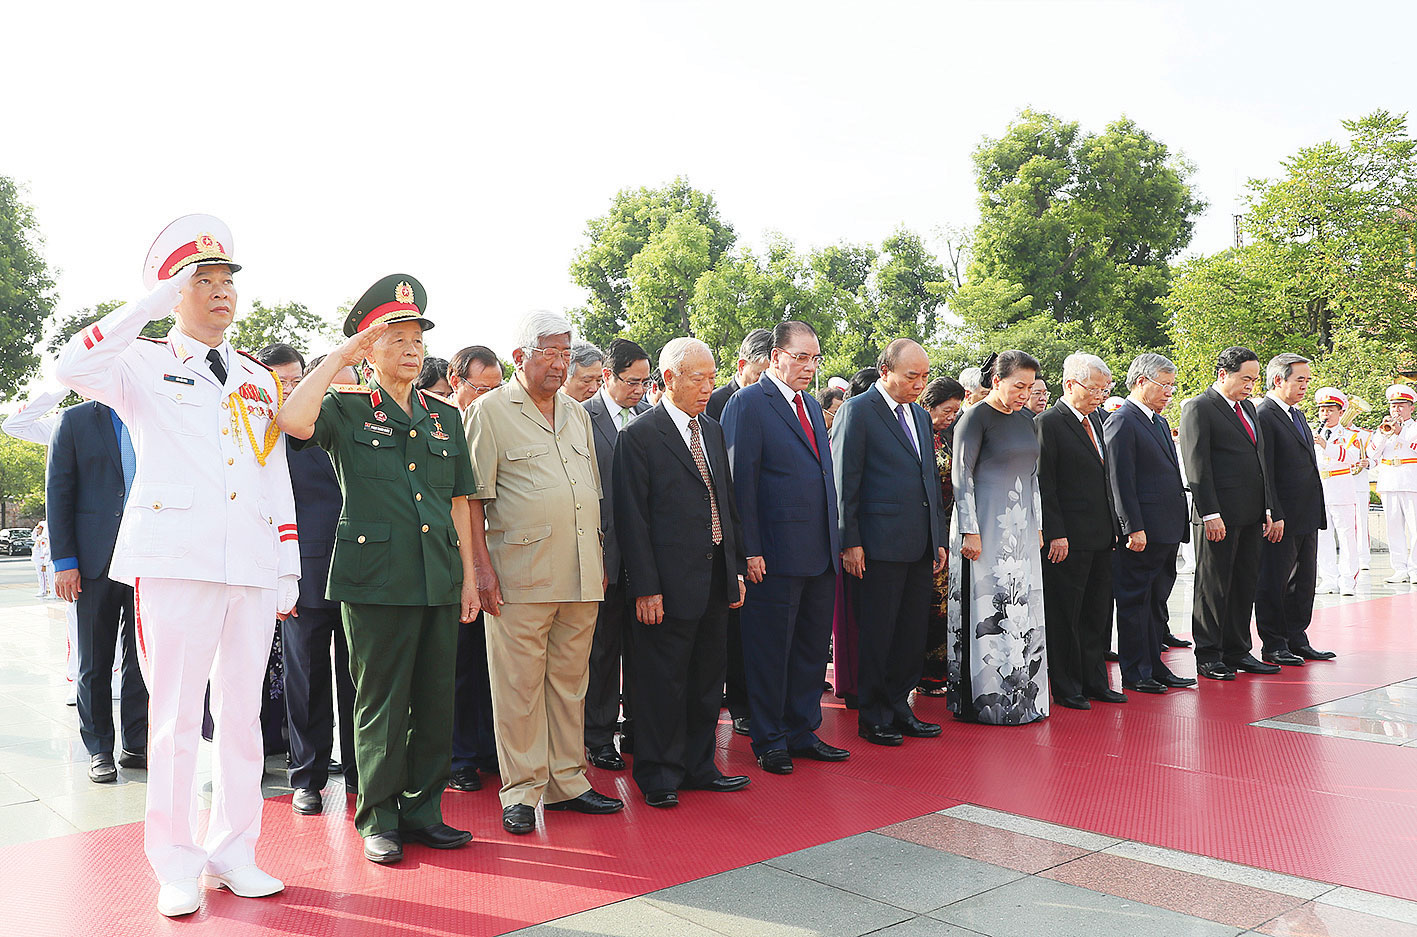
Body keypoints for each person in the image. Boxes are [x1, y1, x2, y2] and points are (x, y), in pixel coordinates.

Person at [56, 214, 297, 916]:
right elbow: (71, 364)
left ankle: (236, 848)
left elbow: (271, 470)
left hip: (249, 563)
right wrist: (147, 305)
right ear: (173, 293)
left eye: (228, 283)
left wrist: (287, 560)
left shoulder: (255, 375)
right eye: (205, 283)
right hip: (176, 561)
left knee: (242, 715)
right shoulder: (140, 362)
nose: (222, 295)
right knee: (174, 716)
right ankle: (175, 860)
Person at [278, 274, 480, 866]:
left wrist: (469, 576)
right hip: (375, 579)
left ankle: (423, 811)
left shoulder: (444, 416)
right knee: (381, 703)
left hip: (438, 575)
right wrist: (339, 356)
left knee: (434, 700)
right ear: (370, 349)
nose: (412, 347)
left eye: (417, 336)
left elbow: (460, 503)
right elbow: (291, 421)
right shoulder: (343, 408)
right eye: (396, 336)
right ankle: (379, 816)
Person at [464, 310, 624, 835]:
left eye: (566, 351)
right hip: (518, 573)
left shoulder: (576, 414)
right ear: (520, 357)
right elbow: (470, 500)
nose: (561, 362)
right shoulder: (490, 411)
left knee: (570, 682)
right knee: (518, 686)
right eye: (550, 351)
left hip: (579, 573)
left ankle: (567, 782)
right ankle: (521, 789)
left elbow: (591, 492)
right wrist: (480, 571)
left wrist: (598, 558)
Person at [614, 337, 750, 807]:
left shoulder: (711, 429)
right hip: (665, 586)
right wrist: (645, 587)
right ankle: (657, 773)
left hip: (714, 577)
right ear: (669, 379)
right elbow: (633, 519)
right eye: (699, 378)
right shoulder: (640, 436)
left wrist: (734, 568)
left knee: (707, 678)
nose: (708, 387)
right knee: (660, 683)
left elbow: (725, 504)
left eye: (712, 378)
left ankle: (699, 764)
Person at [722, 321, 847, 774]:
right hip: (772, 552)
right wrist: (748, 549)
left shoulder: (812, 407)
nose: (809, 367)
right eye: (800, 357)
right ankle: (769, 737)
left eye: (815, 359)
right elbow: (740, 483)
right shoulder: (749, 403)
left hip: (819, 549)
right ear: (776, 356)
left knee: (811, 648)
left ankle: (801, 729)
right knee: (770, 648)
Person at [255, 343, 357, 816]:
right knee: (307, 678)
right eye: (282, 381)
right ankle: (308, 776)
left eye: (297, 378)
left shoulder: (353, 424)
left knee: (360, 678)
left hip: (362, 573)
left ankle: (361, 770)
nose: (291, 388)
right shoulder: (271, 436)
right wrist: (281, 576)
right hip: (303, 574)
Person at [833, 339, 948, 745]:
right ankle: (874, 715)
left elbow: (928, 480)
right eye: (911, 376)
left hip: (918, 543)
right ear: (885, 372)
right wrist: (850, 541)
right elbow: (845, 481)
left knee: (910, 632)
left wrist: (937, 536)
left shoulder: (918, 415)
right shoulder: (857, 412)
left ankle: (901, 706)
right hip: (877, 545)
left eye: (924, 376)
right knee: (878, 632)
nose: (919, 384)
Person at [46, 390, 149, 782]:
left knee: (143, 659)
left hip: (147, 559)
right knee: (94, 661)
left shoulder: (154, 413)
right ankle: (99, 749)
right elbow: (58, 491)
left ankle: (136, 744)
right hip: (92, 562)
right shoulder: (74, 420)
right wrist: (65, 562)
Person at [947, 349, 1048, 725]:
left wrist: (1037, 524)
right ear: (996, 381)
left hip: (1021, 526)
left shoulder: (1026, 419)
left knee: (1023, 606)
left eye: (1030, 386)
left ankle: (1024, 698)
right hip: (984, 525)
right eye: (1018, 386)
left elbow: (1033, 476)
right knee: (989, 603)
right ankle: (985, 701)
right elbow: (962, 476)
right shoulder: (974, 418)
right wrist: (969, 530)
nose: (1024, 393)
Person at [1180, 346, 1284, 682]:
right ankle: (1209, 654)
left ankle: (1238, 649)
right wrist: (1210, 513)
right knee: (1214, 587)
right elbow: (1198, 465)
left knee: (1243, 584)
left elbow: (1261, 462)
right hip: (1218, 516)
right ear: (1223, 374)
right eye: (1245, 378)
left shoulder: (1249, 409)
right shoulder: (1200, 408)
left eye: (1254, 379)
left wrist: (1269, 507)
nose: (1251, 385)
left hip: (1251, 514)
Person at [1036, 354, 1125, 709]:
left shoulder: (1099, 420)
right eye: (1095, 388)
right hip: (1068, 539)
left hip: (1101, 535)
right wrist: (1055, 532)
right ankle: (1067, 685)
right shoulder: (1048, 423)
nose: (1101, 396)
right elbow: (1046, 483)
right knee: (1065, 615)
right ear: (1070, 384)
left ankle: (1095, 681)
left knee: (1096, 614)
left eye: (1105, 389)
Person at [1104, 354, 1196, 694]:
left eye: (1172, 386)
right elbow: (1120, 480)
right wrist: (1132, 526)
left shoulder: (1156, 421)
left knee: (1157, 602)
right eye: (1164, 385)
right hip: (1142, 531)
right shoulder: (1123, 421)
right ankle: (1136, 671)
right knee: (1135, 602)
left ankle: (1155, 665)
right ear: (1141, 382)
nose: (1169, 392)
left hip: (1166, 528)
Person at [582, 338, 653, 769]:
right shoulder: (580, 418)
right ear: (607, 376)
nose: (640, 390)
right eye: (632, 381)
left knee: (643, 646)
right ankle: (599, 734)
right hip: (602, 552)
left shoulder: (648, 418)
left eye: (647, 382)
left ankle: (639, 727)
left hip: (644, 553)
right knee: (603, 650)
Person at [706, 327, 773, 736]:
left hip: (762, 530)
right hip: (723, 532)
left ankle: (752, 701)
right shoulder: (716, 403)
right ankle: (731, 703)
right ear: (742, 365)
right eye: (760, 371)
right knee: (730, 628)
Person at [445, 345, 504, 794]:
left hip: (496, 560)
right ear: (454, 379)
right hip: (447, 560)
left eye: (495, 389)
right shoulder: (436, 422)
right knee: (457, 665)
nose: (486, 397)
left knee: (492, 663)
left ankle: (489, 748)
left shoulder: (502, 421)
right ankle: (458, 756)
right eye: (479, 388)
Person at [4, 389, 87, 701]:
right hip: (84, 534)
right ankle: (80, 677)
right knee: (79, 613)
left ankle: (123, 681)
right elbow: (14, 425)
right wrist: (60, 386)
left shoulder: (141, 409)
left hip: (137, 529)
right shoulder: (70, 421)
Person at [1254, 354, 1336, 666]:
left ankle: (1296, 636)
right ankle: (1274, 642)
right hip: (1282, 516)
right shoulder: (1265, 414)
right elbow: (1266, 470)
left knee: (1303, 580)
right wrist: (1273, 512)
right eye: (1299, 379)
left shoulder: (1297, 414)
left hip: (1306, 512)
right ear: (1279, 380)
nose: (1306, 385)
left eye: (1307, 379)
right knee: (1274, 580)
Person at [828, 368, 879, 709]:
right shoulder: (853, 418)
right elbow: (844, 485)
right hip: (854, 537)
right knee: (855, 619)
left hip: (883, 538)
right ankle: (854, 684)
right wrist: (850, 540)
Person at [918, 376, 965, 696]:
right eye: (946, 411)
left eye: (955, 412)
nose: (950, 417)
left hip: (949, 525)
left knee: (945, 604)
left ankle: (939, 670)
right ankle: (923, 673)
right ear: (929, 404)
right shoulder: (918, 433)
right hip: (923, 527)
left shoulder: (947, 436)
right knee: (926, 605)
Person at [1314, 388, 1366, 596]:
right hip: (1320, 490)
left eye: (1330, 410)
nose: (1325, 414)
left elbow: (1351, 457)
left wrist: (1326, 446)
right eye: (1322, 410)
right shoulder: (1312, 433)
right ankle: (1328, 579)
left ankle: (1347, 580)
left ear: (1340, 412)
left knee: (1346, 538)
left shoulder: (1351, 435)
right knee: (1322, 538)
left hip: (1341, 489)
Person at [1373, 384, 1417, 584]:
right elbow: (1371, 455)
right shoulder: (1383, 429)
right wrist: (1384, 434)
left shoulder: (1414, 428)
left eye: (1401, 406)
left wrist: (1400, 433)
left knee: (1415, 528)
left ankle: (1415, 568)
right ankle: (1399, 568)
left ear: (1411, 408)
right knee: (1393, 528)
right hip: (1389, 482)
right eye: (1393, 406)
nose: (1396, 410)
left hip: (1411, 482)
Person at [706, 328, 772, 422]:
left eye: (771, 376)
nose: (766, 381)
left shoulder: (777, 400)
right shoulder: (716, 401)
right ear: (741, 366)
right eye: (760, 374)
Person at [446, 345, 504, 412]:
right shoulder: (438, 418)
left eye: (496, 389)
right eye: (482, 390)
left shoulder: (503, 415)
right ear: (455, 383)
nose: (491, 397)